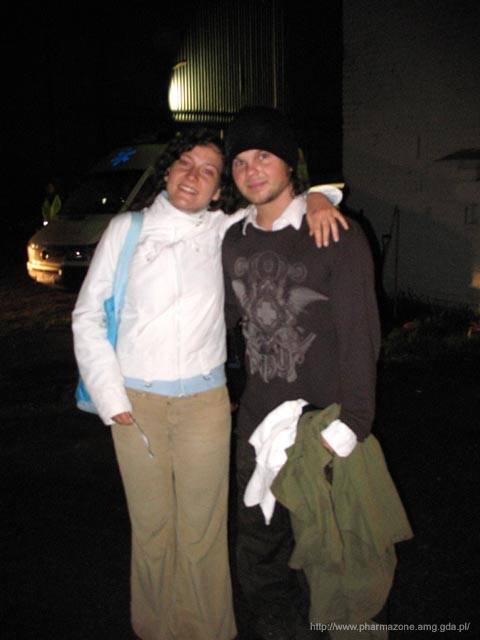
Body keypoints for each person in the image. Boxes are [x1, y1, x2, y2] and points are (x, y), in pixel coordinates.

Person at [71, 127, 346, 640]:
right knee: (152, 530)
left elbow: (274, 202)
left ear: (219, 188)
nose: (192, 176)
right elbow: (87, 316)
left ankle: (208, 631)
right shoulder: (127, 230)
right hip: (136, 402)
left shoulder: (225, 230)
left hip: (204, 404)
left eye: (208, 171)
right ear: (167, 170)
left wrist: (318, 198)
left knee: (203, 530)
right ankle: (155, 629)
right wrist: (110, 395)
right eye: (185, 163)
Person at [221, 107, 382, 639]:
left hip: (321, 424)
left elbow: (361, 333)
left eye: (263, 155)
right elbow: (222, 317)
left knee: (327, 555)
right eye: (240, 161)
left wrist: (354, 421)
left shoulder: (333, 233)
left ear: (289, 163)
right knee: (259, 551)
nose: (251, 169)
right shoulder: (233, 239)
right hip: (256, 422)